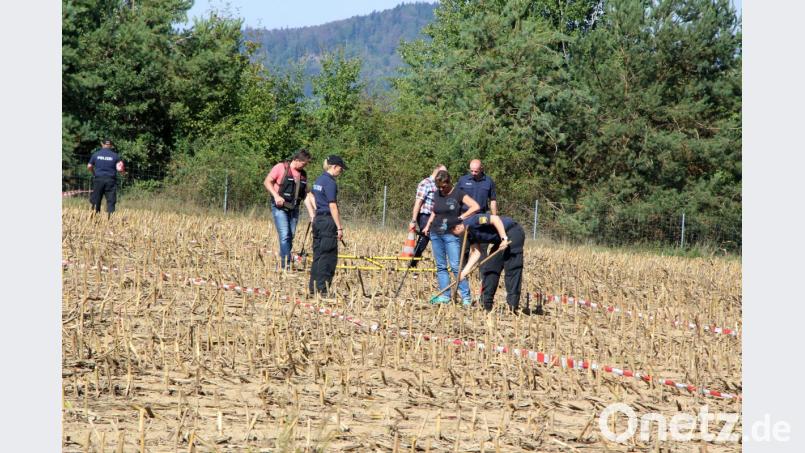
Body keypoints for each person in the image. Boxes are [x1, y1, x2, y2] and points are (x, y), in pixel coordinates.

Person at [447, 213, 525, 313]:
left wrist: (504, 239)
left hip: (513, 232)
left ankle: (513, 307)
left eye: (452, 233)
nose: (455, 236)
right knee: (491, 268)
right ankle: (486, 304)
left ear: (457, 227)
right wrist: (464, 272)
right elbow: (476, 252)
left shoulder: (474, 221)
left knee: (512, 269)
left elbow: (495, 219)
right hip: (500, 239)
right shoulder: (468, 233)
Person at [422, 170, 480, 305]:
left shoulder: (458, 193)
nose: (441, 189)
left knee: (455, 266)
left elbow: (475, 206)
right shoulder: (436, 194)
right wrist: (428, 225)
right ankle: (445, 296)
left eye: (444, 186)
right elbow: (434, 211)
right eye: (439, 187)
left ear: (449, 182)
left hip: (451, 234)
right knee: (441, 266)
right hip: (436, 233)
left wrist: (461, 217)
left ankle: (466, 297)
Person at [304, 155, 347, 297]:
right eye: (340, 169)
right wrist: (339, 227)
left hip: (318, 220)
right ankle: (322, 290)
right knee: (328, 257)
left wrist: (314, 213)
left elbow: (310, 197)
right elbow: (333, 206)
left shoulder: (319, 180)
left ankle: (313, 288)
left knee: (318, 255)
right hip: (327, 222)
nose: (341, 172)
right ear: (334, 166)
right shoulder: (330, 183)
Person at [264, 149, 312, 270]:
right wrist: (276, 196)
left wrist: (312, 213)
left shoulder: (303, 175)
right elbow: (267, 182)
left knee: (291, 236)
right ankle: (286, 266)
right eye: (304, 163)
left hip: (294, 209)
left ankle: (282, 262)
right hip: (280, 208)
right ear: (296, 160)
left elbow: (305, 195)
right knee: (285, 235)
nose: (305, 166)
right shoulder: (280, 167)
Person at [407, 164, 447, 269]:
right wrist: (413, 220)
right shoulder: (426, 183)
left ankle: (413, 264)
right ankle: (414, 264)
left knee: (424, 240)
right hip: (425, 215)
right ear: (437, 172)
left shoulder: (441, 184)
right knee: (431, 235)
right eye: (444, 173)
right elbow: (418, 202)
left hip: (437, 216)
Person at [87, 138, 125, 219]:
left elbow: (89, 166)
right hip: (110, 180)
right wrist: (123, 173)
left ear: (102, 144)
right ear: (111, 145)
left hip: (98, 179)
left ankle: (95, 218)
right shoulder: (115, 156)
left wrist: (94, 173)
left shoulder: (96, 154)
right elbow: (120, 168)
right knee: (111, 200)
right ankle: (110, 219)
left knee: (96, 199)